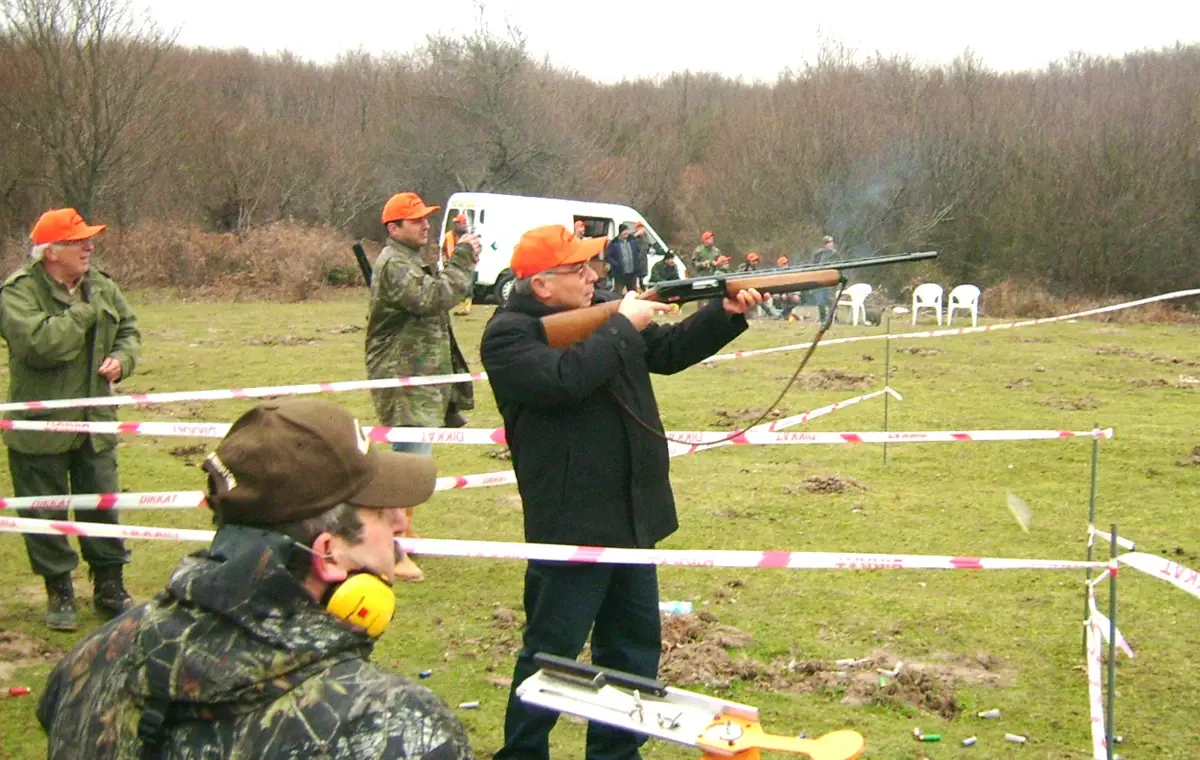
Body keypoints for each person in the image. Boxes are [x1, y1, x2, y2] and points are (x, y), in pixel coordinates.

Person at [36, 398, 473, 760]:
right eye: (381, 512)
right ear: (327, 554)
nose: (400, 522)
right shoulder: (397, 727)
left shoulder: (93, 658)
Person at [480, 224, 764, 760]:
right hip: (572, 522)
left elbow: (672, 350)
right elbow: (562, 380)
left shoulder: (608, 312)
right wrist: (622, 327)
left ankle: (616, 753)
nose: (594, 275)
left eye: (592, 266)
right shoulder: (508, 335)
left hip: (634, 513)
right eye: (578, 269)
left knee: (633, 651)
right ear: (541, 286)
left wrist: (725, 312)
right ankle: (522, 754)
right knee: (551, 652)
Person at [0, 208, 141, 631]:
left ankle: (110, 586)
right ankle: (59, 589)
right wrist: (83, 312)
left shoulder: (102, 286)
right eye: (79, 241)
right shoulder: (17, 293)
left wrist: (123, 359)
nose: (89, 247)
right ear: (51, 253)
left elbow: (129, 329)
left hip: (95, 420)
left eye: (89, 239)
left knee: (102, 502)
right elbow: (43, 346)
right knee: (43, 510)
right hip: (40, 427)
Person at [367, 191, 480, 582]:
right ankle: (392, 543)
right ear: (393, 228)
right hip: (403, 378)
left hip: (423, 378)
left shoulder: (410, 261)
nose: (427, 225)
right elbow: (435, 297)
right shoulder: (395, 265)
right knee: (407, 462)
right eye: (416, 220)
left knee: (416, 459)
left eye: (426, 218)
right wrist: (463, 258)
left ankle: (403, 533)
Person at [443, 213, 475, 316]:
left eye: (459, 223)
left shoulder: (469, 237)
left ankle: (467, 308)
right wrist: (444, 261)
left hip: (467, 266)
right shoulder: (448, 235)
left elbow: (476, 251)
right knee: (456, 288)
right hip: (451, 265)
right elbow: (443, 250)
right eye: (456, 223)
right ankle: (462, 308)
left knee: (468, 288)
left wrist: (473, 263)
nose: (457, 225)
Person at [808, 234, 840, 324]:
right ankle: (822, 319)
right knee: (820, 301)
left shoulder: (835, 254)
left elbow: (838, 267)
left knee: (831, 300)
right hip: (820, 280)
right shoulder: (818, 254)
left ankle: (834, 318)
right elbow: (812, 266)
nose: (831, 244)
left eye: (832, 242)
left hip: (831, 280)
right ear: (825, 244)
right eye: (828, 242)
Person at [604, 222, 639, 294]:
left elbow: (638, 252)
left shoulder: (632, 241)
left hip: (632, 274)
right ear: (620, 232)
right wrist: (616, 264)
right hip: (620, 274)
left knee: (633, 293)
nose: (627, 233)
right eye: (625, 232)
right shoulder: (614, 243)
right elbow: (608, 256)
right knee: (618, 293)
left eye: (627, 231)